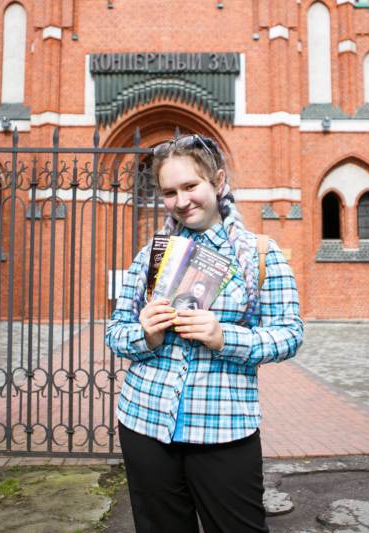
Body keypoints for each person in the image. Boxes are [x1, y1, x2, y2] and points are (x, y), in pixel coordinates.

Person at [105, 133, 304, 533]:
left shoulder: (259, 254)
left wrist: (224, 337)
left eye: (191, 186)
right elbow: (115, 331)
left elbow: (290, 334)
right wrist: (146, 335)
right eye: (169, 192)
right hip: (145, 423)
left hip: (223, 428)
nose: (181, 201)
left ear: (217, 181)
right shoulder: (153, 255)